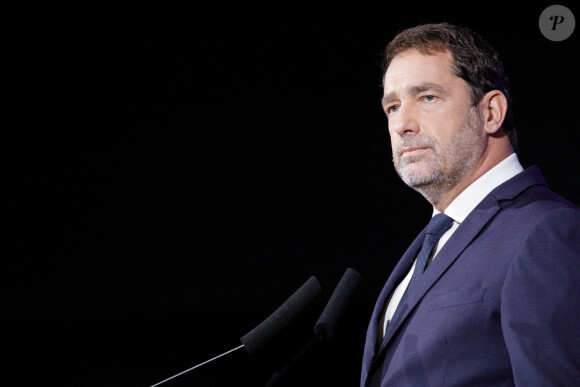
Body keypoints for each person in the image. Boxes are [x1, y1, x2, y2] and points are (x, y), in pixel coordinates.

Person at [361, 22, 580, 386]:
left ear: (491, 112)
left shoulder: (548, 232)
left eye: (427, 97)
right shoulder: (433, 244)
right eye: (393, 107)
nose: (402, 124)